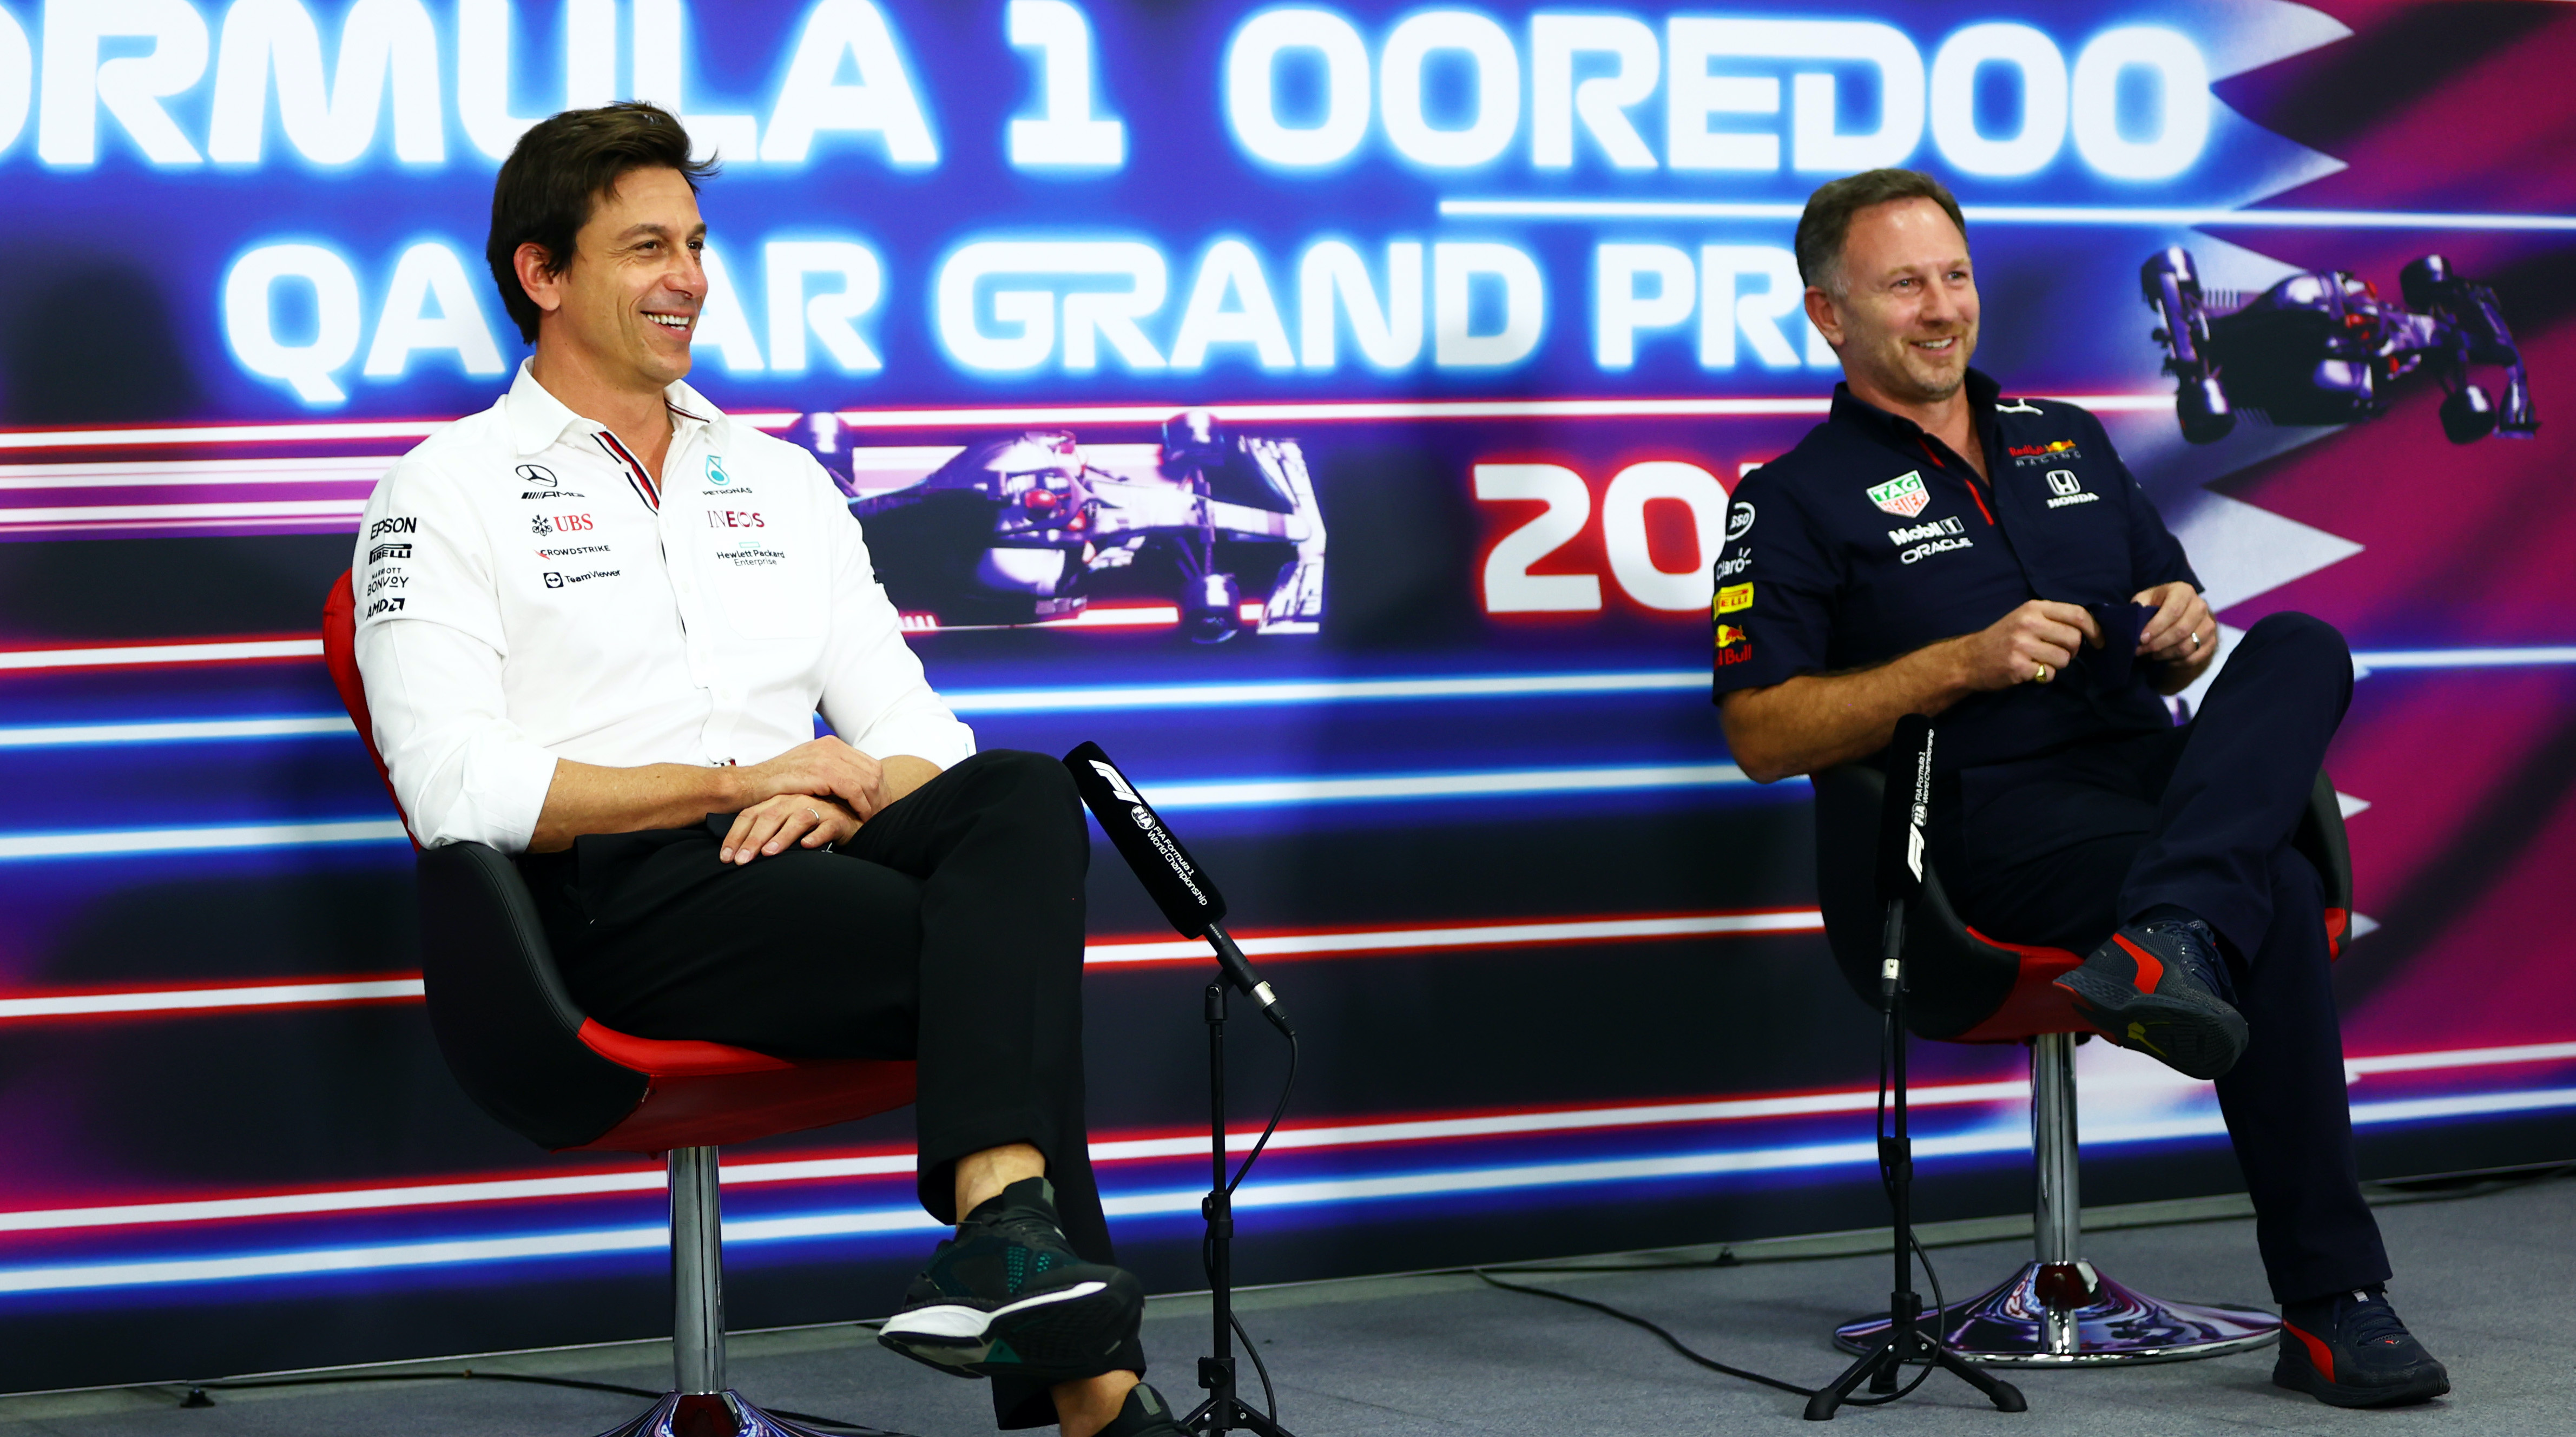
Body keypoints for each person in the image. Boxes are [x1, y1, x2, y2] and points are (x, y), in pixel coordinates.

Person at [351, 103, 1182, 1437]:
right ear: (541, 272)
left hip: (801, 850)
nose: (687, 276)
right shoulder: (443, 490)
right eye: (645, 247)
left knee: (1024, 792)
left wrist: (829, 789)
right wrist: (735, 783)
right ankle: (1084, 1378)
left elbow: (922, 734)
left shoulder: (781, 479)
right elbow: (454, 786)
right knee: (991, 948)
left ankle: (1006, 1242)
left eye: (695, 243)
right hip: (610, 902)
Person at [1710, 168, 2448, 1409]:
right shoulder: (1787, 497)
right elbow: (1759, 730)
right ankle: (2331, 1303)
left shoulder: (2066, 438)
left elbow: (2180, 634)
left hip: (2146, 779)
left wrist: (2181, 628)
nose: (1940, 308)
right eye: (1902, 284)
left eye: (1953, 275)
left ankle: (2170, 927)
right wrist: (1957, 661)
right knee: (2267, 884)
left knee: (2299, 644)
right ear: (1828, 314)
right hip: (1983, 826)